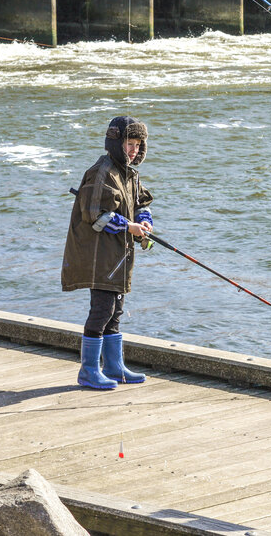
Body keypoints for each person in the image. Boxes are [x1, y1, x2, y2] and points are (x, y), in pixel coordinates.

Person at [62, 116, 154, 390]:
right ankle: (89, 370)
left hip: (119, 257)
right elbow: (95, 215)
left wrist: (144, 220)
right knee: (102, 311)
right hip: (97, 258)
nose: (134, 150)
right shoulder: (102, 172)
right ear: (115, 143)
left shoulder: (129, 174)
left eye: (138, 145)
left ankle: (114, 367)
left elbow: (141, 202)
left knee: (116, 311)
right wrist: (130, 226)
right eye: (129, 143)